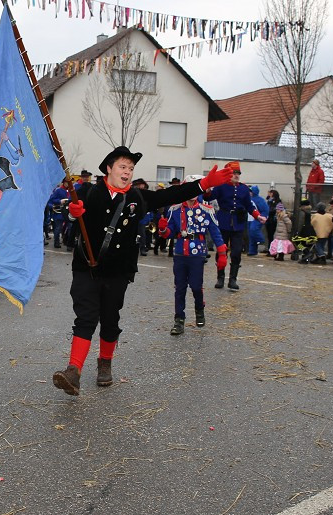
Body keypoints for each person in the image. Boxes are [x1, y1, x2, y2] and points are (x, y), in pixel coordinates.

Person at [52, 146, 233, 395]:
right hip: (87, 267)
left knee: (110, 319)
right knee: (85, 318)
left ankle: (105, 362)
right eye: (122, 167)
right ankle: (74, 370)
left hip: (118, 270)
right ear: (109, 168)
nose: (127, 172)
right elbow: (67, 209)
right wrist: (73, 214)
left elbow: (172, 194)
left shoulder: (138, 197)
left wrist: (203, 184)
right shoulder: (88, 191)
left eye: (130, 168)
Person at [162, 192, 225, 333]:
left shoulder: (206, 210)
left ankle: (199, 310)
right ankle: (179, 320)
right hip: (180, 252)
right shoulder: (175, 209)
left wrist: (222, 252)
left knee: (196, 286)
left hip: (197, 253)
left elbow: (215, 232)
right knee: (180, 288)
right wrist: (163, 229)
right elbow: (170, 232)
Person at [206, 161, 265, 290]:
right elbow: (208, 197)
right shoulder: (221, 186)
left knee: (237, 252)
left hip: (238, 223)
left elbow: (249, 206)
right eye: (234, 173)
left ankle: (233, 279)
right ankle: (220, 278)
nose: (236, 175)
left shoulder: (243, 188)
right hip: (223, 221)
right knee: (221, 251)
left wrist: (258, 216)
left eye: (238, 173)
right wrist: (208, 188)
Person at [46, 179, 70, 249]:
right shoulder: (58, 190)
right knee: (58, 229)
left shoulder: (71, 190)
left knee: (70, 228)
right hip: (59, 213)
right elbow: (51, 200)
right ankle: (56, 242)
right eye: (67, 182)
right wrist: (60, 201)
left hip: (68, 212)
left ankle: (67, 242)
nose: (68, 184)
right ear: (64, 183)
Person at [247, 185, 268, 256]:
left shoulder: (259, 200)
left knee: (254, 230)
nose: (249, 192)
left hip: (257, 218)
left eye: (250, 191)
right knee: (251, 235)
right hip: (249, 219)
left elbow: (265, 209)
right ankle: (252, 251)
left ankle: (261, 240)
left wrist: (263, 217)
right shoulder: (248, 199)